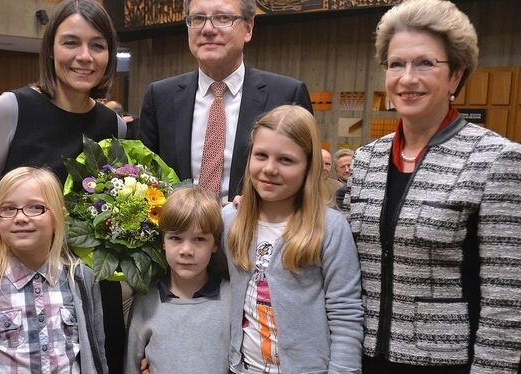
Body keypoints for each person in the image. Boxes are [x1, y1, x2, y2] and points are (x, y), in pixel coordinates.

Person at [347, 0, 521, 372]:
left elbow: (504, 301)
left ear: (456, 75)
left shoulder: (496, 158)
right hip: (361, 357)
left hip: (445, 362)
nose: (407, 78)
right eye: (396, 64)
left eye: (425, 63)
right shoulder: (366, 159)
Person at [0, 0, 127, 371]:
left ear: (110, 54)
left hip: (85, 291)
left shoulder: (114, 125)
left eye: (97, 45)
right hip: (11, 290)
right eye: (70, 43)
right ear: (50, 50)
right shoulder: (13, 107)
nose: (84, 56)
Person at [224, 105, 363, 373]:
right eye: (261, 155)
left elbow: (345, 314)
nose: (269, 169)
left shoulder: (330, 228)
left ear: (308, 167)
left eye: (286, 160)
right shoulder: (232, 221)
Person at [139, 0, 313, 203]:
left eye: (223, 18)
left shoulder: (286, 95)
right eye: (198, 18)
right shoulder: (160, 97)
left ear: (248, 29)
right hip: (180, 232)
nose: (207, 29)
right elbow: (147, 177)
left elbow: (306, 180)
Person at [0, 167, 108, 373]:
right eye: (8, 209)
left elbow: (97, 350)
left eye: (36, 207)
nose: (21, 218)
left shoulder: (81, 277)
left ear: (59, 217)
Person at [125, 186, 230, 374]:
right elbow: (130, 366)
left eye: (199, 239)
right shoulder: (146, 301)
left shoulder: (232, 299)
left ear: (215, 244)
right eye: (176, 238)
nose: (186, 250)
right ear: (162, 243)